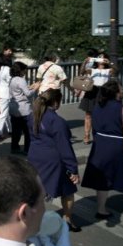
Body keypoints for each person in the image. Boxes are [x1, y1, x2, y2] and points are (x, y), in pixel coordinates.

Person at [81, 79, 123, 221]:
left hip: (100, 146)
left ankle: (101, 209)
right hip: (119, 147)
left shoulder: (97, 107)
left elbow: (95, 128)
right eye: (121, 88)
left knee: (102, 178)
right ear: (116, 92)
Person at [28, 89, 81, 232]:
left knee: (36, 189)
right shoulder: (57, 121)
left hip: (35, 155)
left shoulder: (32, 116)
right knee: (68, 189)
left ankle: (31, 217)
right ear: (56, 102)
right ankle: (67, 219)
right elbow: (64, 147)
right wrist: (73, 169)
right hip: (53, 159)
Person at [77, 53, 112, 145]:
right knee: (88, 115)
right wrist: (85, 62)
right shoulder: (92, 70)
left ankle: (100, 135)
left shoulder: (108, 70)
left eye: (103, 58)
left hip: (103, 92)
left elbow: (116, 70)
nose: (101, 59)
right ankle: (86, 135)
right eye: (99, 58)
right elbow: (82, 72)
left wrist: (110, 63)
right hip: (92, 91)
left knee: (102, 114)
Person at [8, 61, 34, 154]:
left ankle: (14, 147)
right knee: (27, 131)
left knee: (16, 130)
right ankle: (27, 149)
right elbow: (28, 94)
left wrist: (29, 88)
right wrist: (35, 88)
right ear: (21, 70)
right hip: (23, 108)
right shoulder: (21, 80)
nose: (25, 72)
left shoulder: (12, 79)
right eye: (25, 70)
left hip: (13, 107)